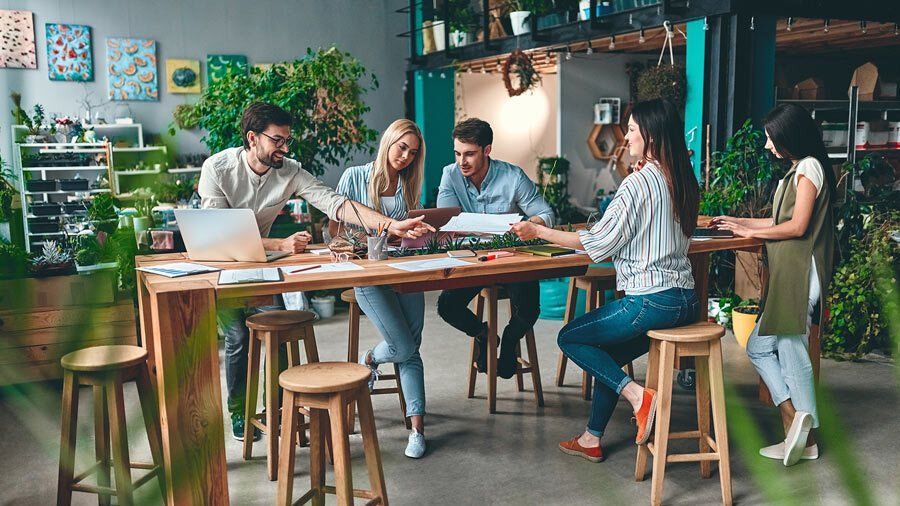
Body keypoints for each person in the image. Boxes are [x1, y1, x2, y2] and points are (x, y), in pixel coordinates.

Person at [198, 102, 433, 440]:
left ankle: (277, 410)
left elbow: (336, 203)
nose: (285, 147)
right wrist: (278, 245)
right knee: (237, 336)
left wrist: (391, 225)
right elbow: (220, 232)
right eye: (277, 140)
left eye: (287, 140)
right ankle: (240, 414)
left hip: (262, 267)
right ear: (253, 138)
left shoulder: (290, 170)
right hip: (224, 264)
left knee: (276, 331)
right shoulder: (217, 169)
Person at [509, 99, 700, 462]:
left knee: (570, 337)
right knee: (606, 357)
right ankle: (591, 438)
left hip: (651, 301)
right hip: (685, 302)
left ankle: (639, 397)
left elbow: (596, 245)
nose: (626, 137)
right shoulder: (683, 179)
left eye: (631, 130)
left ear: (652, 135)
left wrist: (536, 231)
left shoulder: (638, 183)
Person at [713, 103, 835, 466]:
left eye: (771, 139)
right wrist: (740, 222)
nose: (768, 146)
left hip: (802, 273)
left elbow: (798, 227)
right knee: (760, 347)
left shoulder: (809, 167)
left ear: (789, 137)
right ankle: (794, 421)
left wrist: (745, 229)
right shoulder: (798, 169)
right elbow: (780, 220)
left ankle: (804, 432)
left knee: (791, 348)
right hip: (790, 273)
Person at [333, 118, 430, 458]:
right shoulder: (355, 177)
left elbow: (410, 235)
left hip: (405, 271)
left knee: (410, 348)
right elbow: (338, 234)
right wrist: (388, 233)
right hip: (369, 275)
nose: (405, 157)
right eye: (402, 147)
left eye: (412, 152)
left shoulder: (407, 184)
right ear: (388, 140)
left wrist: (420, 234)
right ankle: (371, 358)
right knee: (404, 346)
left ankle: (417, 429)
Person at [435, 118, 555, 379]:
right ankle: (484, 335)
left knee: (529, 309)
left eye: (469, 154)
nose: (462, 161)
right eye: (457, 153)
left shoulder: (512, 176)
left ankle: (510, 341)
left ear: (487, 150)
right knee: (446, 306)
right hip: (472, 260)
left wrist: (531, 225)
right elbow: (446, 222)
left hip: (510, 257)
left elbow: (546, 213)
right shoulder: (450, 175)